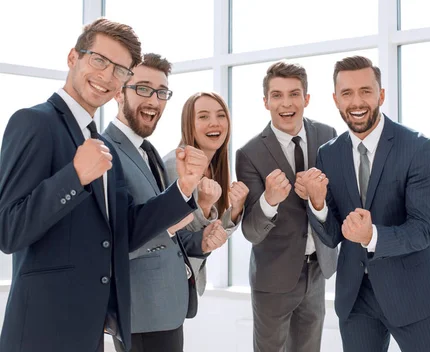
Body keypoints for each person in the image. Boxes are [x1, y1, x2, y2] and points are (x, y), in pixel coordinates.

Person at [0, 19, 206, 352]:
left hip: (89, 331)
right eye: (99, 60)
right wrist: (74, 177)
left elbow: (123, 233)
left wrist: (181, 189)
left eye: (120, 70)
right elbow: (8, 230)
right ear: (73, 58)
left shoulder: (101, 145)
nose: (107, 76)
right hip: (42, 332)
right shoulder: (35, 122)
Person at [302, 56, 430, 352]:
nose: (357, 101)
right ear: (335, 99)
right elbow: (333, 236)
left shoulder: (419, 148)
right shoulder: (328, 155)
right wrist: (317, 202)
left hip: (412, 293)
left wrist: (372, 236)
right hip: (356, 296)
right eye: (347, 93)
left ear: (381, 94)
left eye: (366, 91)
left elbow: (421, 230)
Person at [102, 54, 228, 352]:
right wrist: (174, 224)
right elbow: (114, 241)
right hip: (144, 310)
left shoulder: (149, 152)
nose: (154, 100)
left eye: (162, 92)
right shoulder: (107, 152)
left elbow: (173, 233)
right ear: (119, 91)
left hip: (167, 307)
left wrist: (201, 242)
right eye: (143, 88)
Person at [236, 61, 338, 352]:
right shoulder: (249, 153)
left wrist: (318, 202)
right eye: (277, 95)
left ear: (306, 98)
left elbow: (337, 205)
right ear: (266, 101)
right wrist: (269, 200)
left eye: (294, 94)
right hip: (272, 278)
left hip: (317, 272)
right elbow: (252, 232)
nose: (286, 103)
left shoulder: (327, 136)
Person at [163, 91, 248, 298]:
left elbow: (213, 234)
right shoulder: (176, 165)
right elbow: (172, 232)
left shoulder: (214, 167)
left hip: (186, 277)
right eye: (203, 116)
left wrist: (235, 210)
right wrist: (202, 206)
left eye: (221, 115)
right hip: (169, 279)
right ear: (188, 124)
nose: (214, 123)